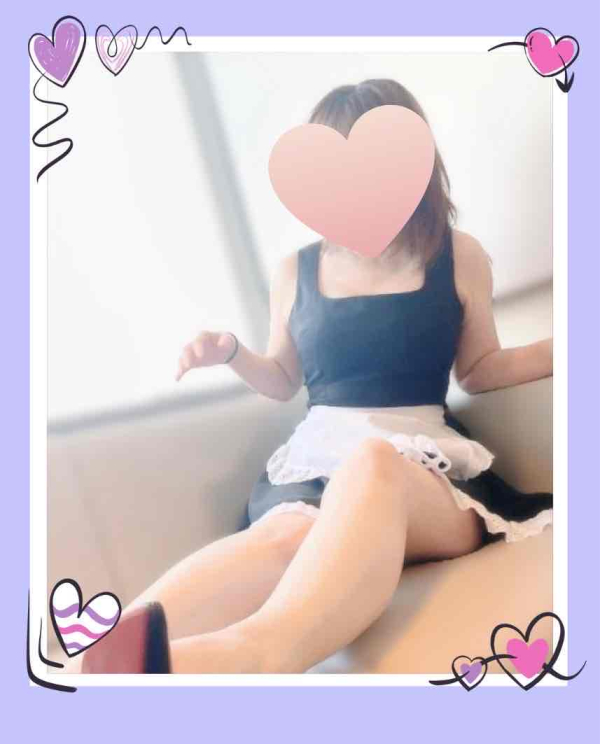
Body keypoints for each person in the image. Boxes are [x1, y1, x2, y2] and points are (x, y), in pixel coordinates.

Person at [69, 79, 553, 675]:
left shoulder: (458, 254)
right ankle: (90, 663)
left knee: (373, 463)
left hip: (424, 474)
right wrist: (231, 352)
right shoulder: (294, 272)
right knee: (283, 536)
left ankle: (254, 655)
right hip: (317, 465)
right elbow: (281, 379)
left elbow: (478, 369)